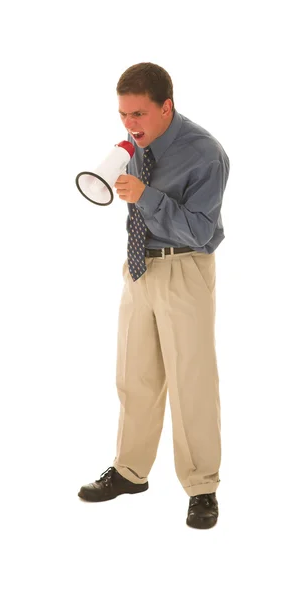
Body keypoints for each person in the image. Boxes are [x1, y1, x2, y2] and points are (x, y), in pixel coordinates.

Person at [77, 62, 230, 529]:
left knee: (191, 383)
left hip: (184, 268)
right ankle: (130, 471)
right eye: (124, 114)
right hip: (139, 268)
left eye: (139, 114)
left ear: (167, 107)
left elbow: (203, 231)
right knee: (134, 375)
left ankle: (202, 486)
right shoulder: (134, 145)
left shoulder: (205, 153)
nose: (129, 124)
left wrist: (145, 196)